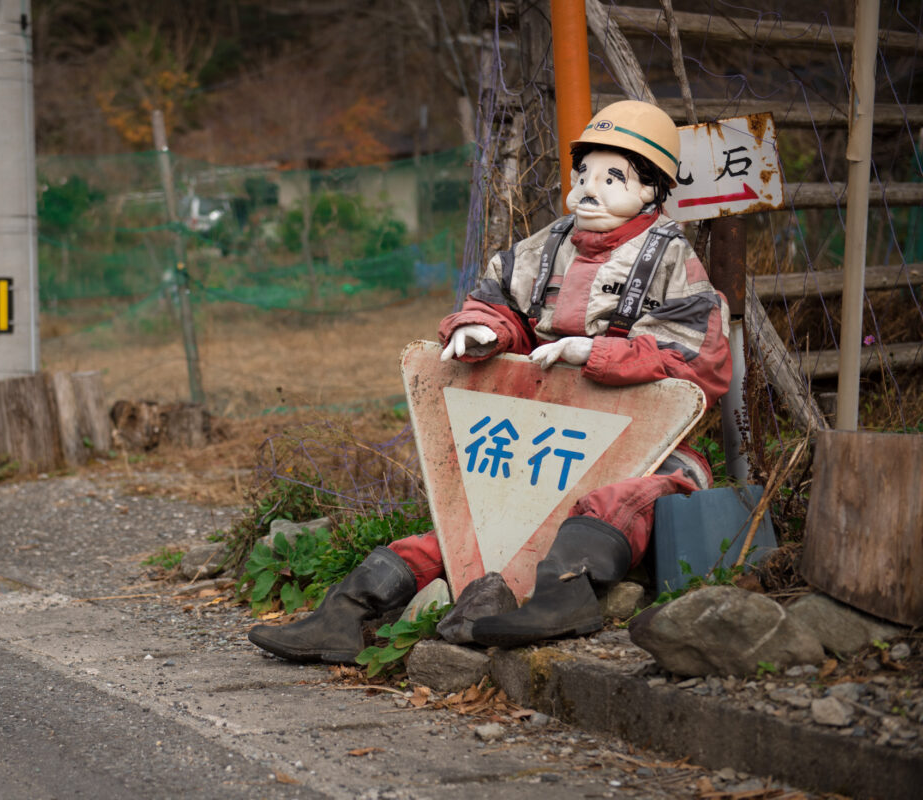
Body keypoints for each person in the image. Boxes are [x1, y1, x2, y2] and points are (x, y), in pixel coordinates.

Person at [249, 100, 732, 663]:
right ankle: (349, 608)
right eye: (584, 175)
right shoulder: (542, 249)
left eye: (612, 177)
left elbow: (699, 361)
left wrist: (596, 353)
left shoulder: (673, 261)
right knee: (475, 525)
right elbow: (498, 303)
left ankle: (563, 595)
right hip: (542, 436)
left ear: (650, 190)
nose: (588, 190)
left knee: (625, 498)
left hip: (646, 444)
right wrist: (483, 331)